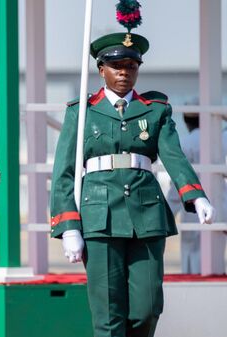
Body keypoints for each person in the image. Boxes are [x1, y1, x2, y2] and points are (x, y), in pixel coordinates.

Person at [49, 32, 215, 337]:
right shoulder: (81, 111)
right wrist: (68, 225)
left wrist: (195, 194)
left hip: (147, 215)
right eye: (117, 66)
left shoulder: (155, 109)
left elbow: (174, 156)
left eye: (131, 65)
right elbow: (64, 173)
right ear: (101, 70)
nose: (125, 72)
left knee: (147, 308)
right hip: (99, 217)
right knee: (108, 314)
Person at [167, 111, 227, 274]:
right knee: (216, 253)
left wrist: (167, 213)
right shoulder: (220, 139)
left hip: (193, 207)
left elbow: (179, 182)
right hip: (220, 204)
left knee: (191, 254)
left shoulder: (185, 142)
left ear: (186, 122)